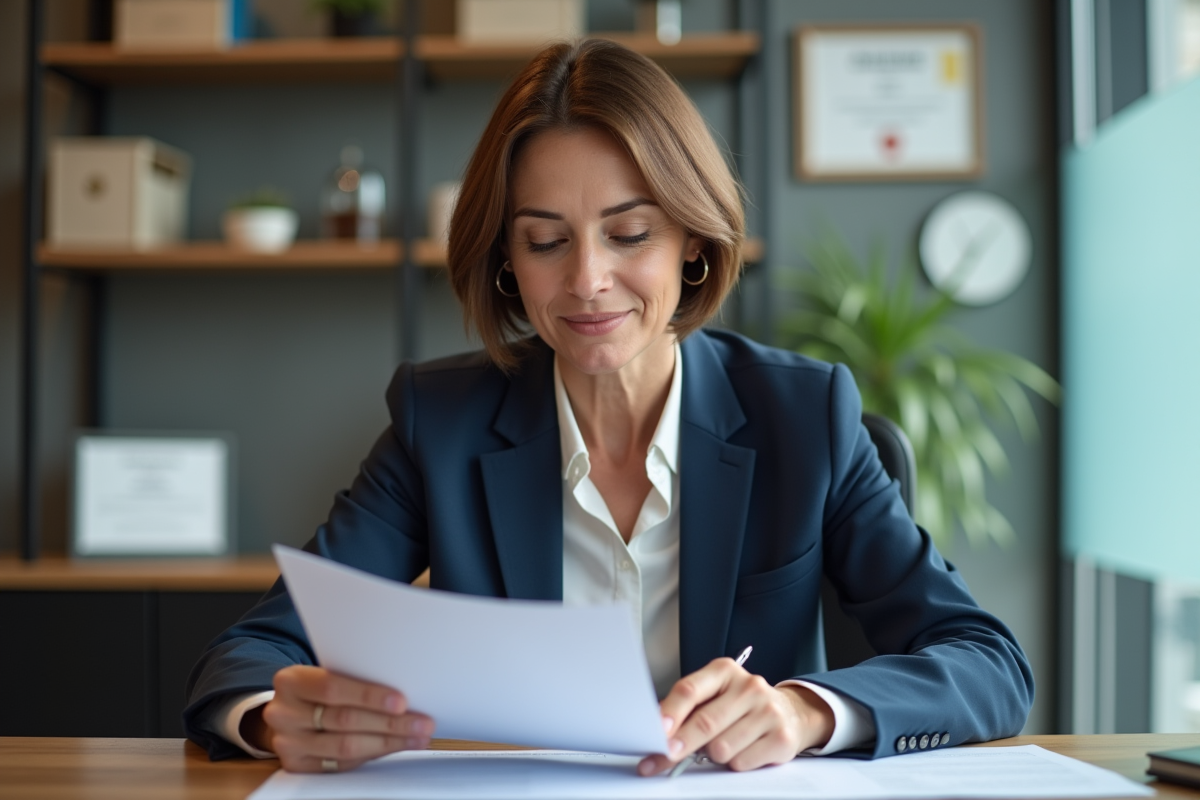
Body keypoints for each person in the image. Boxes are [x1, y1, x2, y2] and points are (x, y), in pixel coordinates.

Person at [183, 38, 1033, 776]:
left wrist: (804, 712)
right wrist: (268, 714)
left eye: (630, 234)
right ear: (508, 260)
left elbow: (988, 663)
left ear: (694, 242)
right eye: (546, 241)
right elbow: (249, 655)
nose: (587, 280)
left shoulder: (803, 417)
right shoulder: (436, 423)